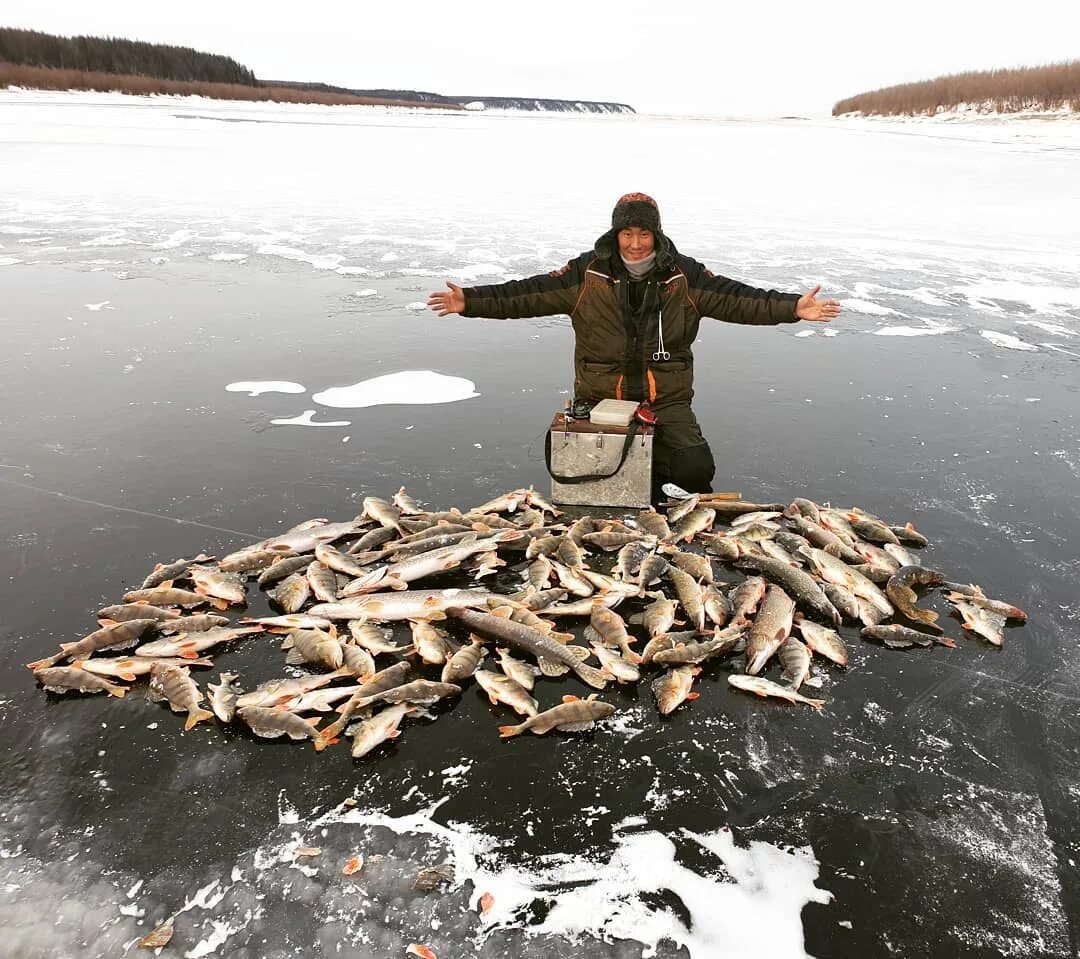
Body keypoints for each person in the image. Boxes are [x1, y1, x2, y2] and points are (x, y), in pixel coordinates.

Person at [427, 192, 841, 499]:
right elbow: (526, 294)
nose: (636, 243)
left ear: (656, 234)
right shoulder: (586, 274)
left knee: (695, 469)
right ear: (616, 233)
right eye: (628, 233)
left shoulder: (684, 276)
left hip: (667, 399)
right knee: (583, 468)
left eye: (644, 233)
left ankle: (657, 487)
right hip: (599, 397)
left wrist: (792, 308)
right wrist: (470, 301)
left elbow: (738, 299)